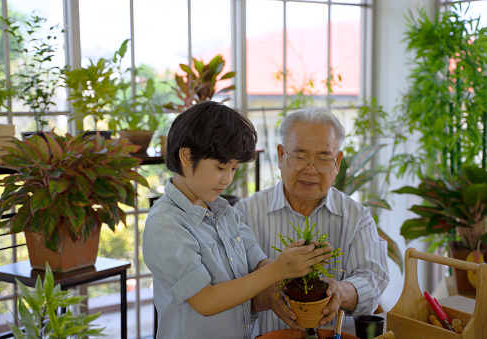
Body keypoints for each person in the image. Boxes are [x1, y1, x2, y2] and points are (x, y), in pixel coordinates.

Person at [142, 101, 334, 339]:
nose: (227, 180)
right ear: (187, 156)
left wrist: (296, 268)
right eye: (221, 167)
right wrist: (279, 269)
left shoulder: (226, 212)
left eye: (233, 169)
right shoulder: (165, 224)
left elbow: (258, 264)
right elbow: (206, 301)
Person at [235, 107, 390, 335]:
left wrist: (340, 291)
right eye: (299, 156)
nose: (311, 169)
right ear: (280, 156)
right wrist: (268, 296)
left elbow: (373, 280)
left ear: (337, 162)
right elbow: (225, 291)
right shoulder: (245, 214)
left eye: (323, 158)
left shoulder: (357, 217)